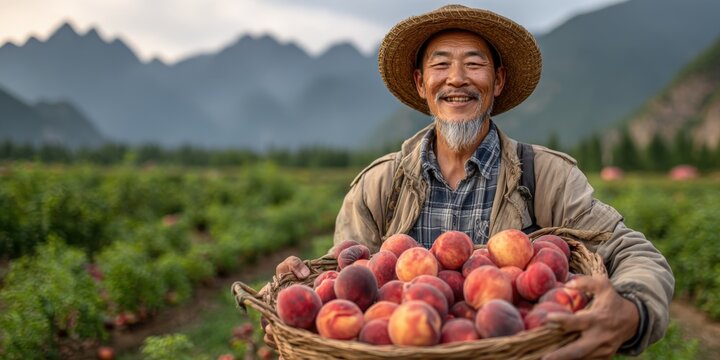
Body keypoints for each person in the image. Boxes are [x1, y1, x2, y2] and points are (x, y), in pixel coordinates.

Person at [267, 5, 673, 358]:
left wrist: (633, 310)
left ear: (496, 82)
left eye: (474, 64)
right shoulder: (379, 185)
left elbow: (629, 249)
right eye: (440, 64)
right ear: (420, 83)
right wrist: (304, 297)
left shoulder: (545, 176)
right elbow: (348, 283)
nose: (456, 78)